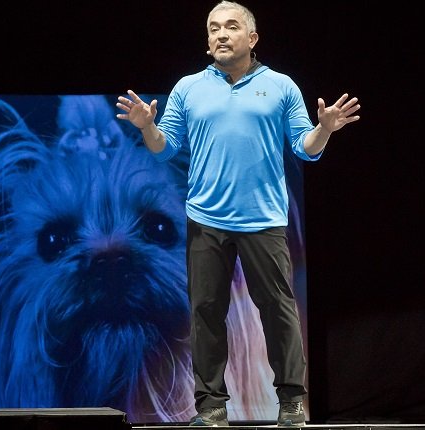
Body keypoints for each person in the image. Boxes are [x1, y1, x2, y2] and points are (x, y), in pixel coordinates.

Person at [116, 1, 360, 426]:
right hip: (206, 219)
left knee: (278, 311)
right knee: (206, 313)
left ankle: (292, 403)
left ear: (253, 38)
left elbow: (305, 149)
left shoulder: (281, 86)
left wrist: (324, 128)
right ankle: (210, 408)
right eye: (213, 28)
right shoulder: (189, 88)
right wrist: (146, 127)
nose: (220, 34)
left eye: (231, 26)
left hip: (264, 219)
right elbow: (164, 148)